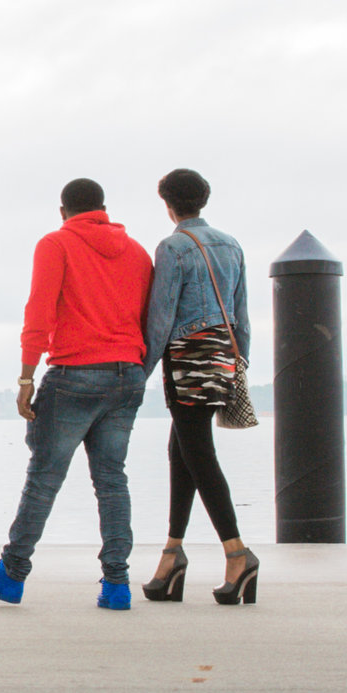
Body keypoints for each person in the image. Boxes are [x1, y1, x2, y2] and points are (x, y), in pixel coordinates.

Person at [0, 178, 154, 610]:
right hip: (128, 375)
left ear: (63, 210)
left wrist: (27, 378)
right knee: (111, 480)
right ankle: (117, 586)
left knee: (45, 477)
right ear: (103, 208)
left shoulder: (57, 243)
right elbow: (147, 317)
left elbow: (40, 312)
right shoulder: (139, 253)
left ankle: (11, 574)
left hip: (75, 374)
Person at [142, 168, 260, 605]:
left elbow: (162, 316)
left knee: (198, 454)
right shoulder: (231, 245)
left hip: (187, 358)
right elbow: (242, 313)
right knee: (182, 451)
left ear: (167, 203)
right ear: (203, 200)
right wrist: (237, 361)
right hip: (222, 355)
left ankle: (237, 553)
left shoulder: (172, 247)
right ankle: (172, 556)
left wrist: (142, 370)